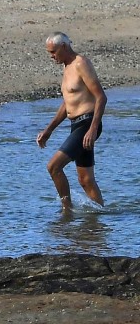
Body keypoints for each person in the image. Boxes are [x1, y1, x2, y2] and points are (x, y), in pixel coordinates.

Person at [35, 32, 106, 210]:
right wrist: (49, 129)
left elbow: (101, 97)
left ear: (64, 47)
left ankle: (67, 211)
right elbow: (67, 104)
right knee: (85, 180)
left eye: (53, 52)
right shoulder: (67, 67)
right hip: (76, 125)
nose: (51, 56)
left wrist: (93, 129)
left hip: (87, 124)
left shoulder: (81, 63)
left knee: (53, 167)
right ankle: (99, 218)